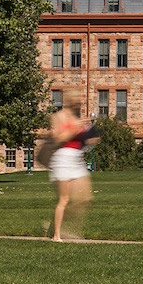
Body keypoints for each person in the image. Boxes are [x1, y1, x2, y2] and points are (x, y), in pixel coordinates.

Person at [49, 91, 94, 242]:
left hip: (76, 158)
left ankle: (61, 226)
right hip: (63, 158)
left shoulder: (76, 118)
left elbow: (81, 140)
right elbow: (58, 139)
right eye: (75, 100)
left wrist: (90, 136)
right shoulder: (59, 117)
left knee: (85, 198)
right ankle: (56, 235)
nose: (78, 103)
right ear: (68, 101)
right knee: (64, 200)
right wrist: (76, 128)